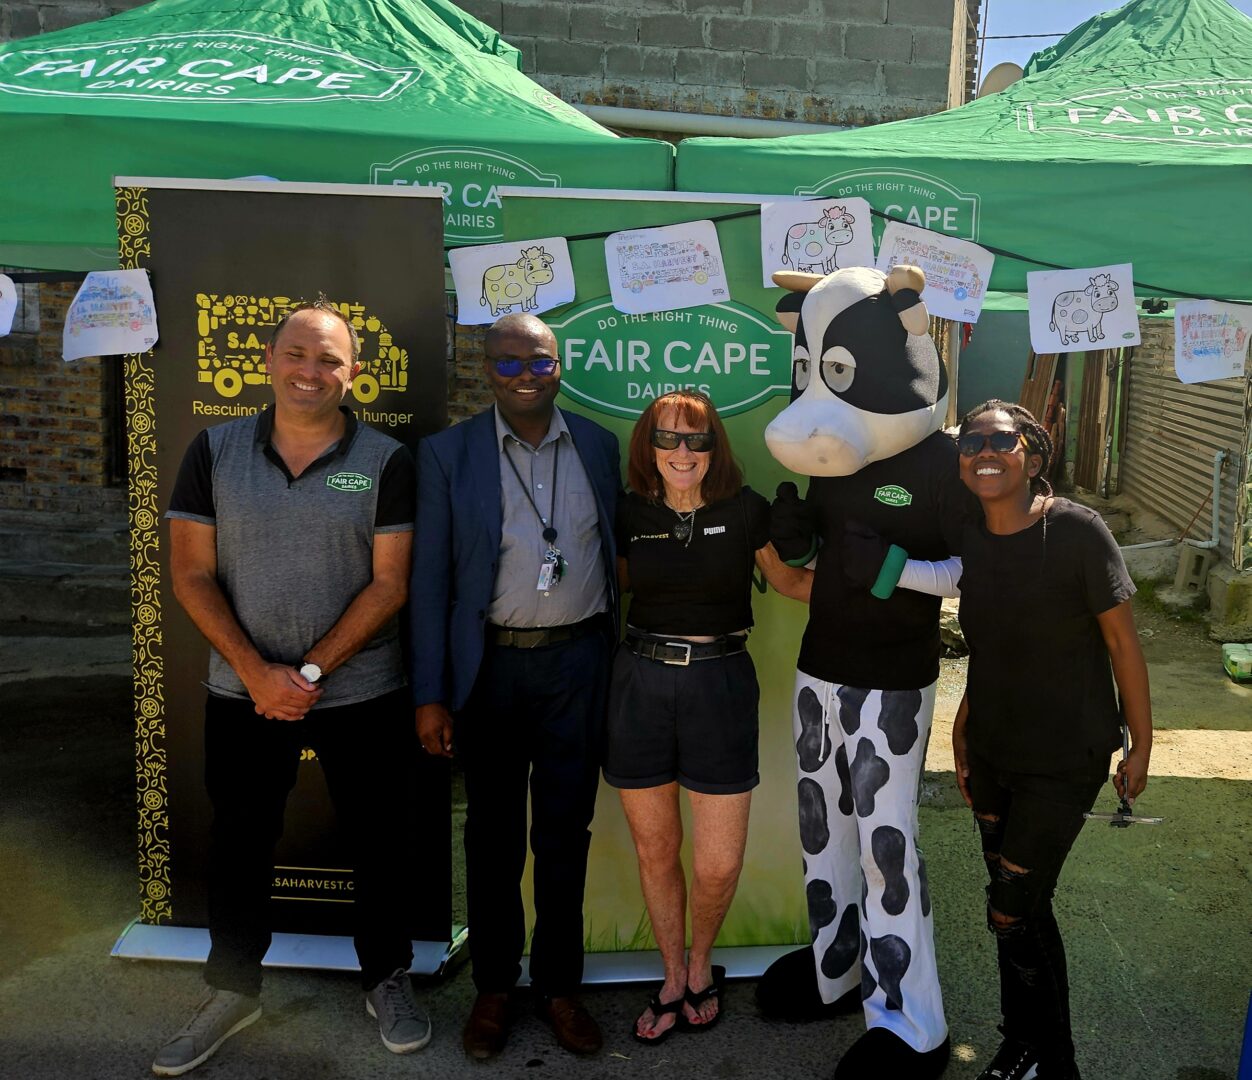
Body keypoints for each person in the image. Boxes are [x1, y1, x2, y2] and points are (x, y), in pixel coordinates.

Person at [154, 299, 425, 1076]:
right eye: (299, 355)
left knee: (380, 840)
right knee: (240, 840)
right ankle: (233, 991)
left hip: (360, 690)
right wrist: (255, 672)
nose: (312, 372)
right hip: (243, 691)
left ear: (354, 374)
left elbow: (389, 586)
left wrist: (304, 675)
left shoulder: (386, 462)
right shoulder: (214, 450)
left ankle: (388, 978)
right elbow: (190, 571)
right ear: (269, 359)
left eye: (331, 360)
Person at [410, 312, 619, 1061]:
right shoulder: (447, 455)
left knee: (565, 836)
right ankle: (495, 987)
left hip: (579, 666)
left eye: (538, 362)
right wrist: (430, 695)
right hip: (489, 671)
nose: (523, 376)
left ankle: (560, 987)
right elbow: (429, 581)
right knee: (492, 838)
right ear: (485, 369)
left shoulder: (598, 445)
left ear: (559, 366)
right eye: (507, 364)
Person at [950, 400, 1152, 1080]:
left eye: (1000, 441)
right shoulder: (970, 535)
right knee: (1018, 911)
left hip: (1065, 757)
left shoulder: (1076, 531)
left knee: (1011, 908)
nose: (984, 450)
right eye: (972, 440)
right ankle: (1026, 1046)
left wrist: (1142, 743)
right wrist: (963, 720)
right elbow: (995, 643)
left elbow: (1123, 643)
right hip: (994, 751)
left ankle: (1050, 1057)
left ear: (1031, 454)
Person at [609, 391, 812, 1044]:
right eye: (667, 439)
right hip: (638, 684)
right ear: (649, 448)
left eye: (696, 440)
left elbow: (790, 584)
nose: (682, 452)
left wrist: (889, 571)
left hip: (721, 683)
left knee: (718, 863)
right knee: (657, 848)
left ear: (715, 450)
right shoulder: (628, 512)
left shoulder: (746, 511)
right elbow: (598, 591)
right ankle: (674, 977)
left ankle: (703, 965)